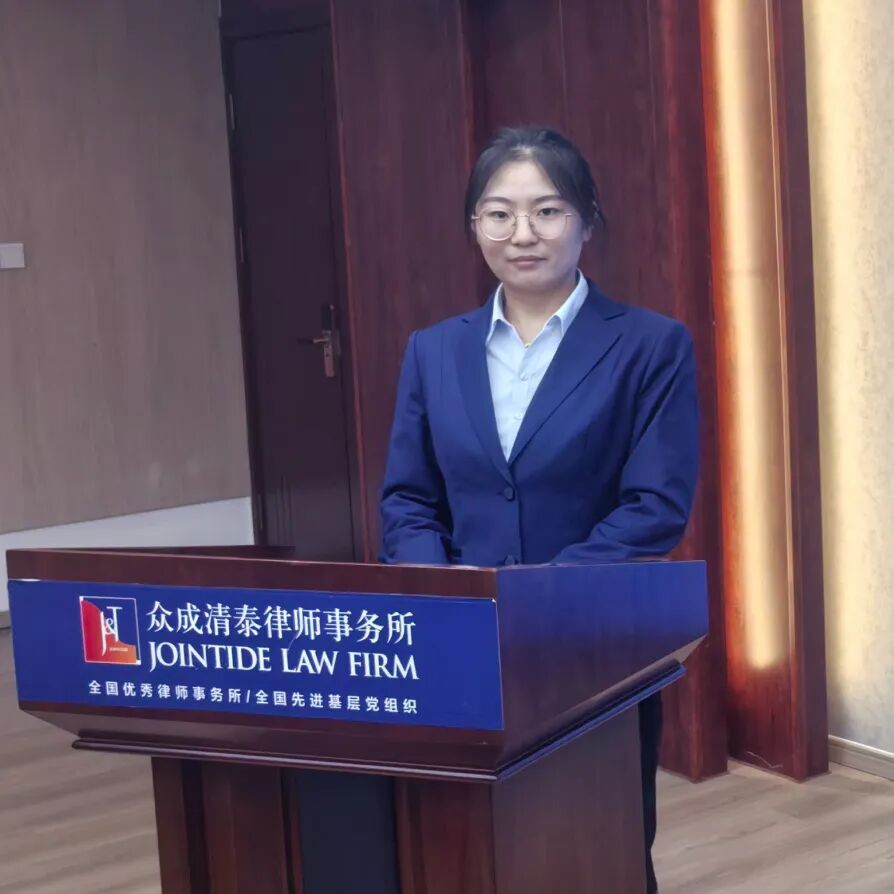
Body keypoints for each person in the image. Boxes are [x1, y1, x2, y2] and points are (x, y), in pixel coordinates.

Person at [379, 126, 699, 894]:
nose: (522, 234)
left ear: (587, 221)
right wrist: (447, 600)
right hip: (459, 646)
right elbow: (408, 499)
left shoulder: (650, 345)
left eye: (547, 211)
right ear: (475, 227)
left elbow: (655, 505)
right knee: (471, 846)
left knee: (600, 844)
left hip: (591, 644)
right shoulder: (432, 350)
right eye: (499, 214)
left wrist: (534, 599)